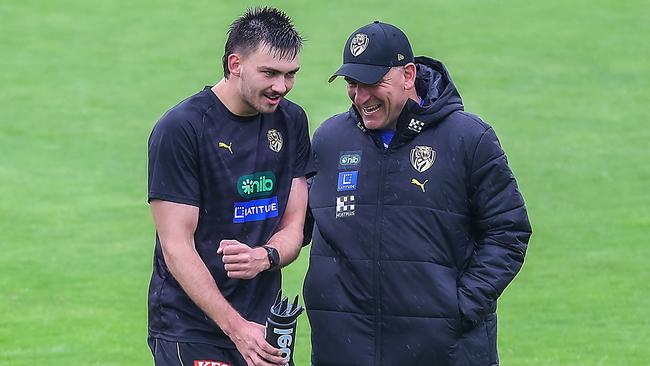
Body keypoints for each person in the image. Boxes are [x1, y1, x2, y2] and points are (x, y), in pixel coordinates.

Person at [303, 21, 532, 365]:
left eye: (372, 83)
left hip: (442, 351)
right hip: (344, 348)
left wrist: (458, 307)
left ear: (408, 75)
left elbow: (508, 232)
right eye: (352, 84)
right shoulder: (330, 140)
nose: (361, 97)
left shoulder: (469, 139)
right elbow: (297, 221)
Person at [146, 7, 313, 366]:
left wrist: (264, 256)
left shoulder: (292, 121)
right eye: (269, 73)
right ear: (235, 64)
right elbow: (176, 247)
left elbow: (293, 228)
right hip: (191, 329)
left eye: (290, 75)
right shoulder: (182, 128)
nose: (281, 87)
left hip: (263, 327)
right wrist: (236, 327)